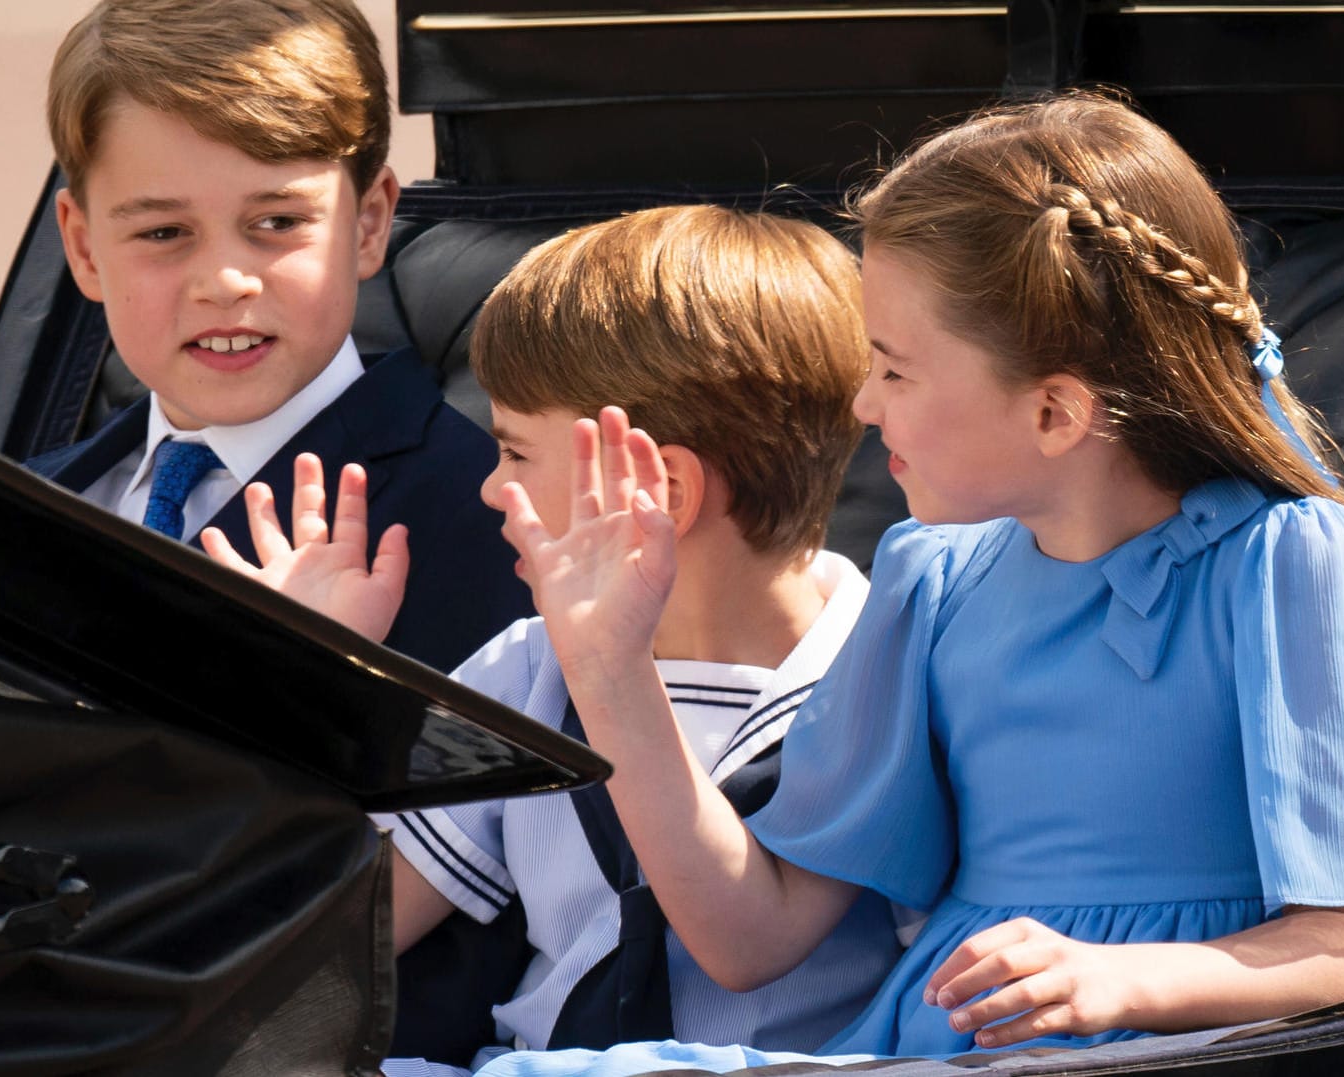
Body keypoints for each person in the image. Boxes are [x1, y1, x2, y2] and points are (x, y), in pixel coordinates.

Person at [452, 92, 1344, 1076]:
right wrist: (609, 667)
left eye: (894, 371)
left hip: (1174, 1053)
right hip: (933, 1048)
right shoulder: (929, 581)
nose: (862, 404)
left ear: (1055, 414)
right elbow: (749, 938)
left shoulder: (1294, 563)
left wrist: (1119, 982)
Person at [205, 206, 910, 1067]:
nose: (492, 488)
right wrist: (310, 686)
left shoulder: (883, 672)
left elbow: (744, 950)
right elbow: (328, 930)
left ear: (663, 492)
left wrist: (608, 669)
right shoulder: (524, 671)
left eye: (516, 454)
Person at [25, 0, 530, 672]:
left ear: (369, 224)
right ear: (84, 250)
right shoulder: (12, 512)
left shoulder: (496, 526)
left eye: (277, 222)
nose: (225, 281)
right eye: (163, 233)